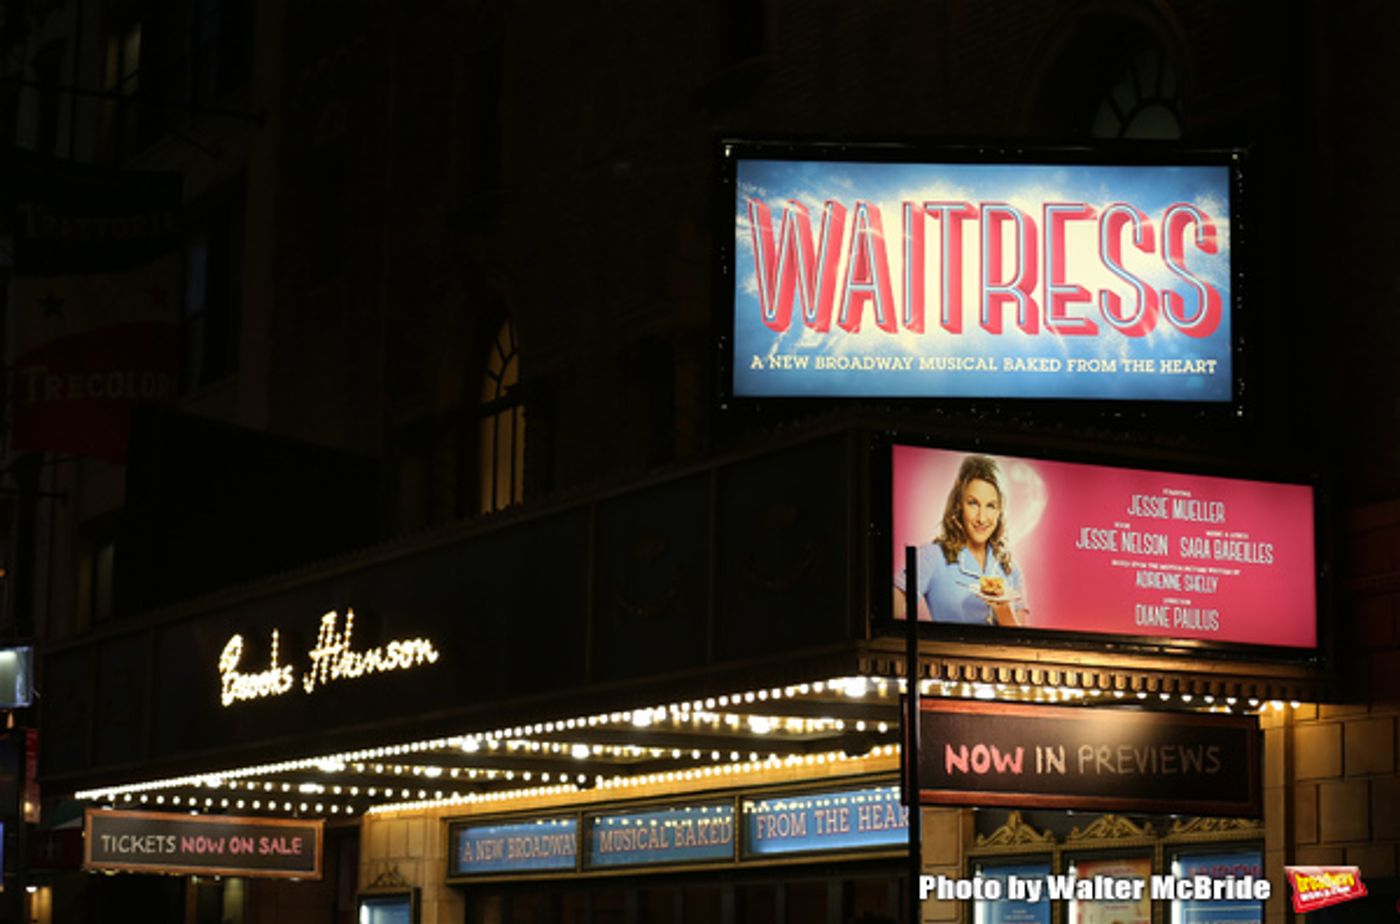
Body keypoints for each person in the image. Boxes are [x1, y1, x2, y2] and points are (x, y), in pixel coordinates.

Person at [894, 454, 1030, 626]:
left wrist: (1003, 609)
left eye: (990, 506)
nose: (981, 518)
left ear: (999, 511)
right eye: (973, 503)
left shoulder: (1011, 570)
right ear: (959, 505)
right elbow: (888, 616)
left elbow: (1022, 643)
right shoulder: (931, 556)